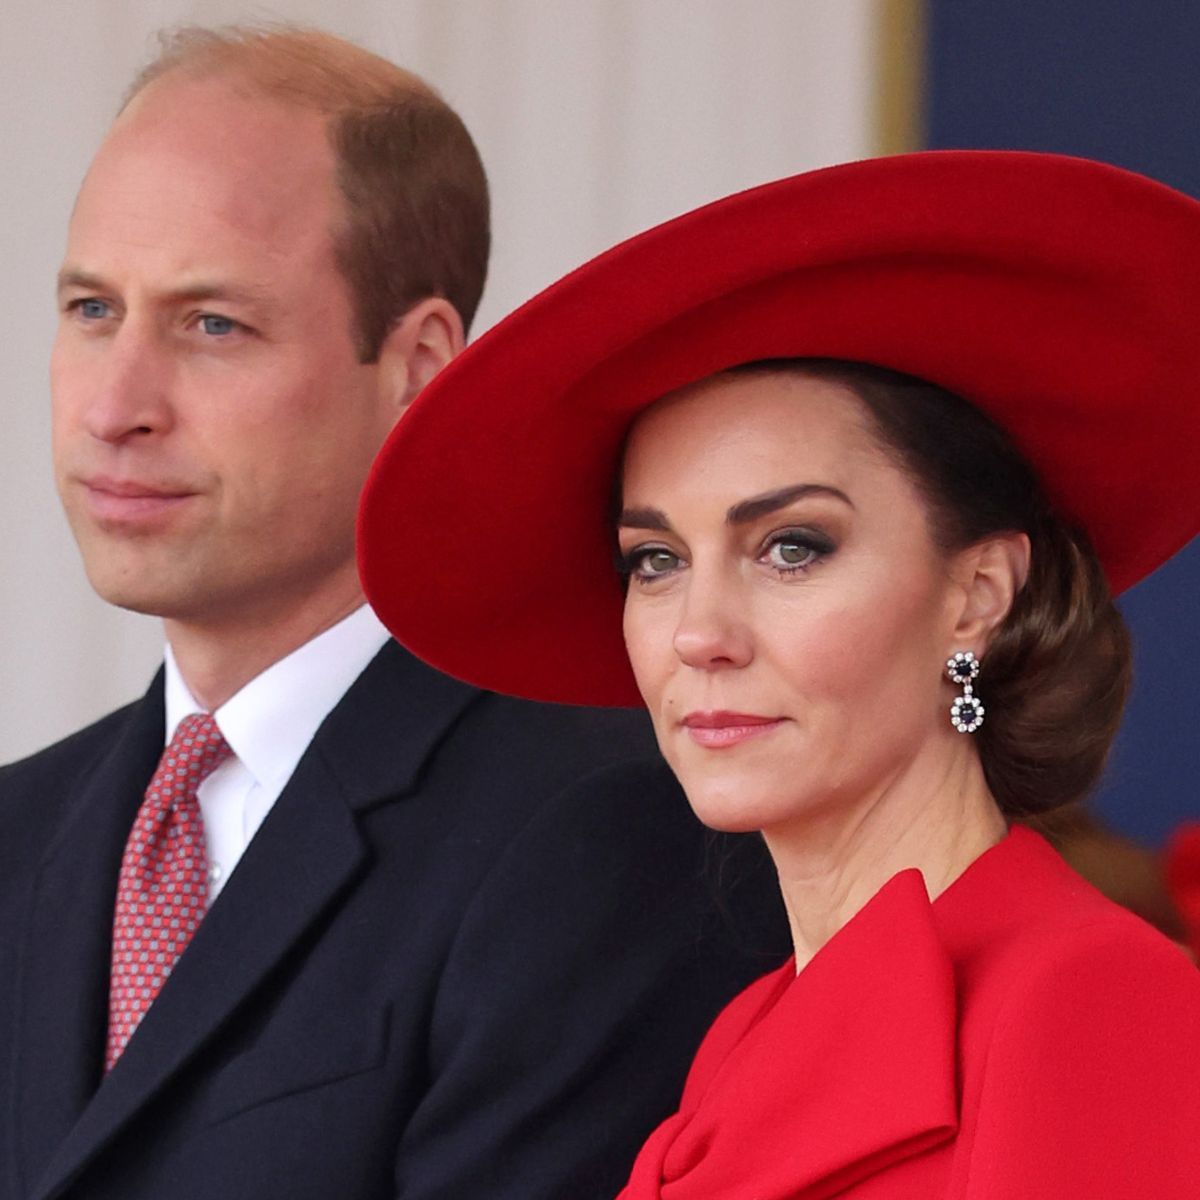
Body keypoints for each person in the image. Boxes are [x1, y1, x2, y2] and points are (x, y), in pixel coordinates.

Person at [0, 25, 788, 1200]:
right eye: (92, 308)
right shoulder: (20, 829)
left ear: (420, 364)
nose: (116, 406)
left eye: (212, 324)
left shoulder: (605, 830)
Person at [358, 149, 1200, 1197]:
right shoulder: (746, 1033)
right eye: (654, 561)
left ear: (979, 594)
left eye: (791, 547)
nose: (700, 634)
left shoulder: (1090, 997)